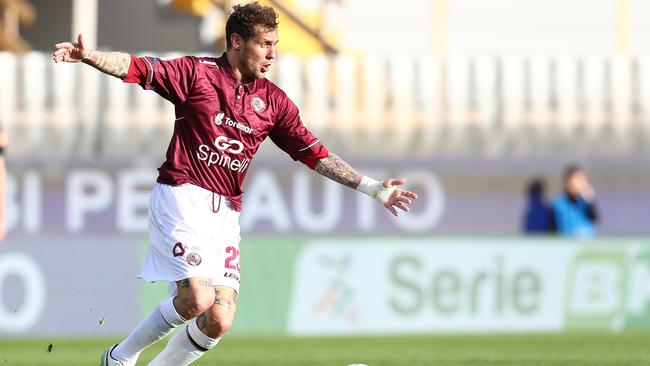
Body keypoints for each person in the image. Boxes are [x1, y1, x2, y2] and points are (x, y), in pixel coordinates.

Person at [53, 3, 417, 365]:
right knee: (197, 298)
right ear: (236, 42)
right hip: (182, 196)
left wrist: (374, 188)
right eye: (264, 44)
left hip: (225, 215)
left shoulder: (273, 102)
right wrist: (91, 57)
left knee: (218, 319)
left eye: (275, 43)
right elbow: (140, 68)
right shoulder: (197, 74)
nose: (273, 53)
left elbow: (315, 153)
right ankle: (120, 357)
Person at [552, 165, 598, 237]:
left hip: (586, 242)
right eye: (577, 181)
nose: (580, 184)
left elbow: (595, 218)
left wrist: (591, 201)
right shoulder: (558, 203)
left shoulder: (585, 201)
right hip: (567, 242)